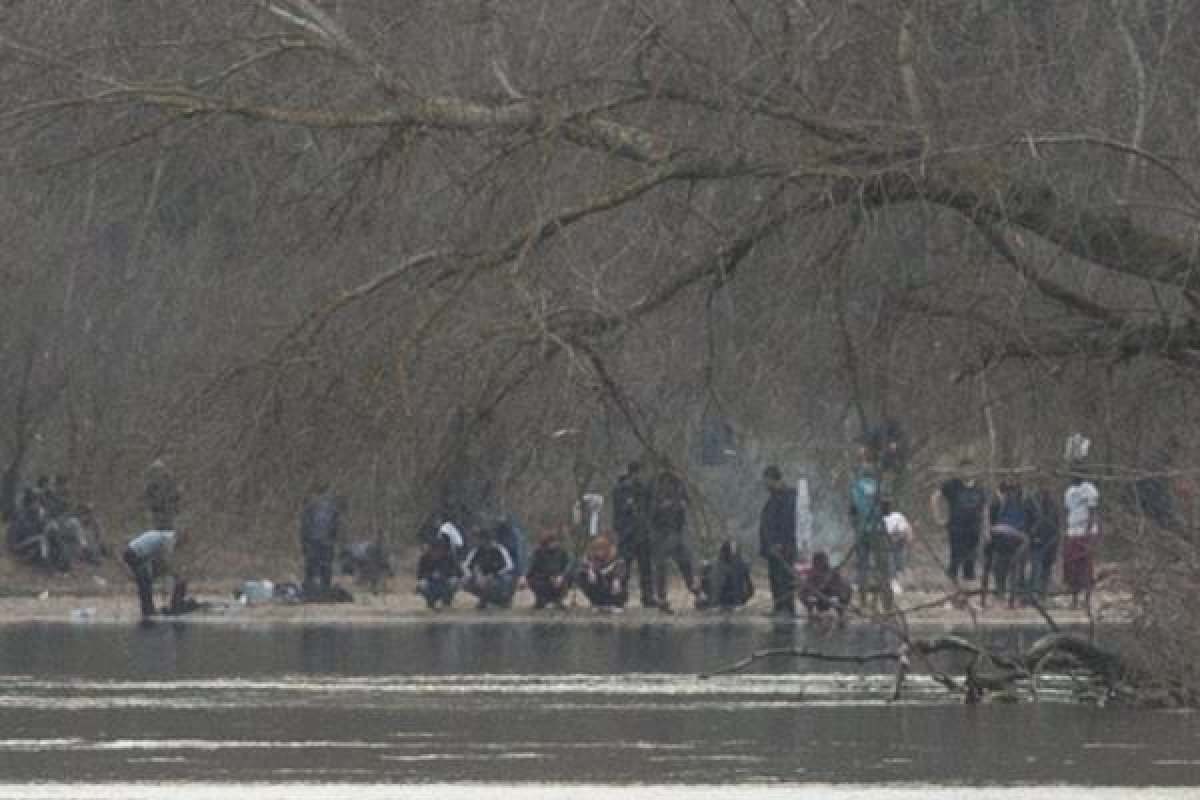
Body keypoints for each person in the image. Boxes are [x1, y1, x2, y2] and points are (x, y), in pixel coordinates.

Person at [930, 459, 988, 583]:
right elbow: (935, 497)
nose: (967, 472)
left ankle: (968, 585)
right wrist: (938, 517)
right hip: (957, 527)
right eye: (964, 470)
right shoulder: (952, 485)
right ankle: (953, 582)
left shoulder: (980, 487)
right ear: (959, 471)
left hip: (974, 528)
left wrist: (986, 528)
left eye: (970, 469)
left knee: (971, 557)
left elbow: (984, 509)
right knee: (956, 555)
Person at [647, 467, 696, 612]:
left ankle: (695, 589)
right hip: (660, 532)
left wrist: (682, 505)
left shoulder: (679, 484)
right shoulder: (655, 485)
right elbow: (650, 510)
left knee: (685, 561)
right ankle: (662, 598)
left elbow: (688, 502)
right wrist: (661, 508)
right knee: (661, 566)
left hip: (675, 530)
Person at [612, 461, 656, 608]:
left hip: (641, 533)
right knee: (625, 566)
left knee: (645, 567)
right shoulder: (621, 489)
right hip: (627, 533)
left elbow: (649, 508)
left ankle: (647, 597)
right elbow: (619, 511)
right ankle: (621, 596)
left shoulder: (643, 489)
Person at [850, 461, 892, 611]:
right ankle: (887, 605)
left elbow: (852, 512)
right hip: (878, 530)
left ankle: (863, 602)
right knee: (882, 568)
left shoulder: (855, 488)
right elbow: (887, 510)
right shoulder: (881, 486)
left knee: (862, 568)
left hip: (861, 532)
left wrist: (856, 526)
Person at [759, 466, 798, 615]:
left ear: (772, 479)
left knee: (784, 579)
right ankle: (779, 607)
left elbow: (786, 522)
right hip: (774, 548)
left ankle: (786, 608)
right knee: (775, 578)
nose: (765, 484)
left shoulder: (786, 497)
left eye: (766, 480)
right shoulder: (775, 497)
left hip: (782, 548)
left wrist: (778, 543)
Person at [123, 528, 186, 618]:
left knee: (145, 583)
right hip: (133, 554)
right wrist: (175, 574)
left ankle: (148, 611)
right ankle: (148, 612)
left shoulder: (164, 536)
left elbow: (159, 559)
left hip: (134, 553)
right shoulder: (169, 538)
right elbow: (165, 559)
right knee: (145, 585)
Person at [986, 480, 1031, 607]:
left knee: (1015, 568)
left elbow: (1024, 526)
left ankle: (1014, 598)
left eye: (1013, 490)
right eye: (1009, 491)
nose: (1011, 493)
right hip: (1002, 540)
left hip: (1016, 541)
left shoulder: (1023, 505)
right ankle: (1001, 594)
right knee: (999, 568)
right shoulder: (1000, 504)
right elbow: (993, 523)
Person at [1063, 474, 1100, 608]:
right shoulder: (1069, 491)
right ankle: (1074, 599)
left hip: (1085, 532)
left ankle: (1087, 600)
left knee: (1085, 566)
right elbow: (1068, 511)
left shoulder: (1089, 489)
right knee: (1072, 565)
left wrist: (1088, 534)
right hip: (1072, 531)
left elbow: (1092, 512)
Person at [6, 488, 66, 570]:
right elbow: (17, 535)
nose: (38, 505)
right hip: (20, 544)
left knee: (52, 530)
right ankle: (45, 562)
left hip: (34, 541)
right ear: (29, 503)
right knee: (42, 538)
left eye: (38, 502)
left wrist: (49, 527)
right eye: (36, 502)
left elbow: (41, 528)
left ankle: (62, 559)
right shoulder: (21, 515)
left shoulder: (37, 514)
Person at [300, 485, 341, 595]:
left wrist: (304, 543)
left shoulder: (310, 506)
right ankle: (325, 589)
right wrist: (334, 540)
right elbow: (336, 525)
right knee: (326, 566)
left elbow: (305, 526)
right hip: (327, 542)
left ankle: (309, 589)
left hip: (313, 541)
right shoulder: (333, 507)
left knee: (311, 566)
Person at [1025, 477, 1061, 603]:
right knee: (1036, 568)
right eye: (1045, 484)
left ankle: (1043, 596)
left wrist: (1055, 540)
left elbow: (1057, 523)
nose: (1048, 487)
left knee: (1047, 569)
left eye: (1050, 484)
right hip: (1037, 541)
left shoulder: (1053, 503)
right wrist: (1032, 536)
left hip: (1050, 540)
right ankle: (1031, 596)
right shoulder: (1031, 501)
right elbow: (1027, 522)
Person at [462, 526, 517, 609]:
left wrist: (493, 575)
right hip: (481, 579)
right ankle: (485, 600)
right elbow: (465, 565)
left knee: (506, 579)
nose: (477, 541)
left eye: (479, 538)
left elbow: (509, 566)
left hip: (497, 579)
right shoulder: (476, 551)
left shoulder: (500, 549)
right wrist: (473, 575)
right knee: (464, 581)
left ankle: (502, 601)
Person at [695, 540, 754, 611]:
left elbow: (717, 586)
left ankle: (716, 603)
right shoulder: (743, 564)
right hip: (735, 601)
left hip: (724, 600)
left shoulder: (715, 565)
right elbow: (750, 589)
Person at [798, 550, 853, 624]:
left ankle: (841, 612)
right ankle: (810, 611)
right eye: (818, 561)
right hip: (817, 599)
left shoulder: (831, 572)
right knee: (805, 594)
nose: (820, 563)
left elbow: (842, 587)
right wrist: (811, 594)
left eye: (822, 560)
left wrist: (838, 594)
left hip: (830, 597)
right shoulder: (812, 573)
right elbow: (804, 590)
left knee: (846, 590)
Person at [526, 529, 574, 610]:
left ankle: (558, 600)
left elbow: (569, 564)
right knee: (533, 580)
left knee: (569, 578)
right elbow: (531, 567)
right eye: (551, 543)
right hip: (543, 578)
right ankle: (541, 600)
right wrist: (547, 577)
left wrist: (561, 575)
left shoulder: (562, 552)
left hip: (559, 577)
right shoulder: (538, 552)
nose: (554, 545)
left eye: (554, 542)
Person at [577, 535, 628, 611]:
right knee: (583, 577)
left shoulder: (616, 558)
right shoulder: (590, 558)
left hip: (613, 589)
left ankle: (615, 604)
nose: (599, 552)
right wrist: (589, 571)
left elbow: (621, 569)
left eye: (602, 549)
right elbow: (582, 566)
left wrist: (617, 579)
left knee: (619, 585)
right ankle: (597, 602)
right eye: (597, 549)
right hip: (598, 588)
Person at [415, 536, 463, 610]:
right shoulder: (424, 559)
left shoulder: (449, 557)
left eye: (438, 549)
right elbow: (420, 575)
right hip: (431, 585)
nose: (436, 552)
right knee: (421, 584)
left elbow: (459, 573)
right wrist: (430, 576)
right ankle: (431, 602)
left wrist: (445, 574)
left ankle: (447, 601)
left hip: (445, 584)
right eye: (433, 549)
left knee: (454, 581)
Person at [881, 498, 913, 594]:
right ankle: (893, 580)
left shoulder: (897, 516)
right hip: (884, 545)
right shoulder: (877, 518)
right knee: (889, 556)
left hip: (898, 543)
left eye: (887, 505)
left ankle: (899, 577)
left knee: (899, 561)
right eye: (883, 505)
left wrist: (899, 537)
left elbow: (906, 529)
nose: (886, 507)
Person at [144, 458, 181, 530]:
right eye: (155, 470)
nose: (158, 472)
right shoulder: (151, 484)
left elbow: (176, 496)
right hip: (158, 515)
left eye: (159, 470)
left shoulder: (171, 482)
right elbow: (149, 499)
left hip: (169, 514)